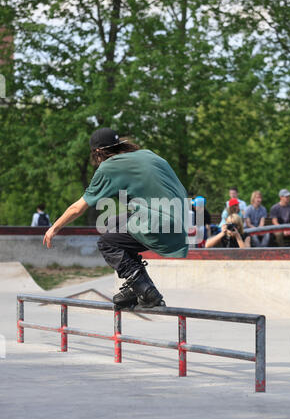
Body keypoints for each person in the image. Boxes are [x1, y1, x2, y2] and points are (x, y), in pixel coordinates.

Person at [43, 127, 189, 308]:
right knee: (111, 223)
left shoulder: (109, 166)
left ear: (98, 152)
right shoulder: (146, 154)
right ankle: (136, 286)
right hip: (182, 220)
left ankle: (145, 289)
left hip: (160, 224)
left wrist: (53, 228)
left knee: (107, 242)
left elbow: (77, 208)